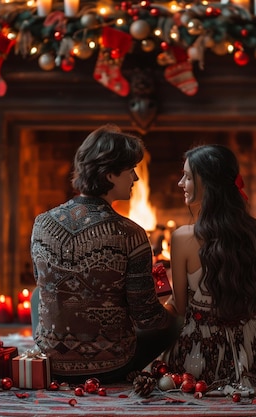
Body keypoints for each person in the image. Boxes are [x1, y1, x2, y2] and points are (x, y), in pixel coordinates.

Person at [30, 124, 178, 384]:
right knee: (175, 324)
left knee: (36, 295)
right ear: (110, 175)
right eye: (131, 170)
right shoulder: (130, 233)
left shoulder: (42, 223)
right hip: (112, 366)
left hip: (50, 364)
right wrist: (173, 311)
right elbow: (147, 318)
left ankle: (55, 352)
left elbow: (43, 284)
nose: (136, 178)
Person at [163, 144, 256, 395]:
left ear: (206, 184)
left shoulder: (182, 238)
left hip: (198, 361)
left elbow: (182, 309)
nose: (180, 183)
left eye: (187, 177)